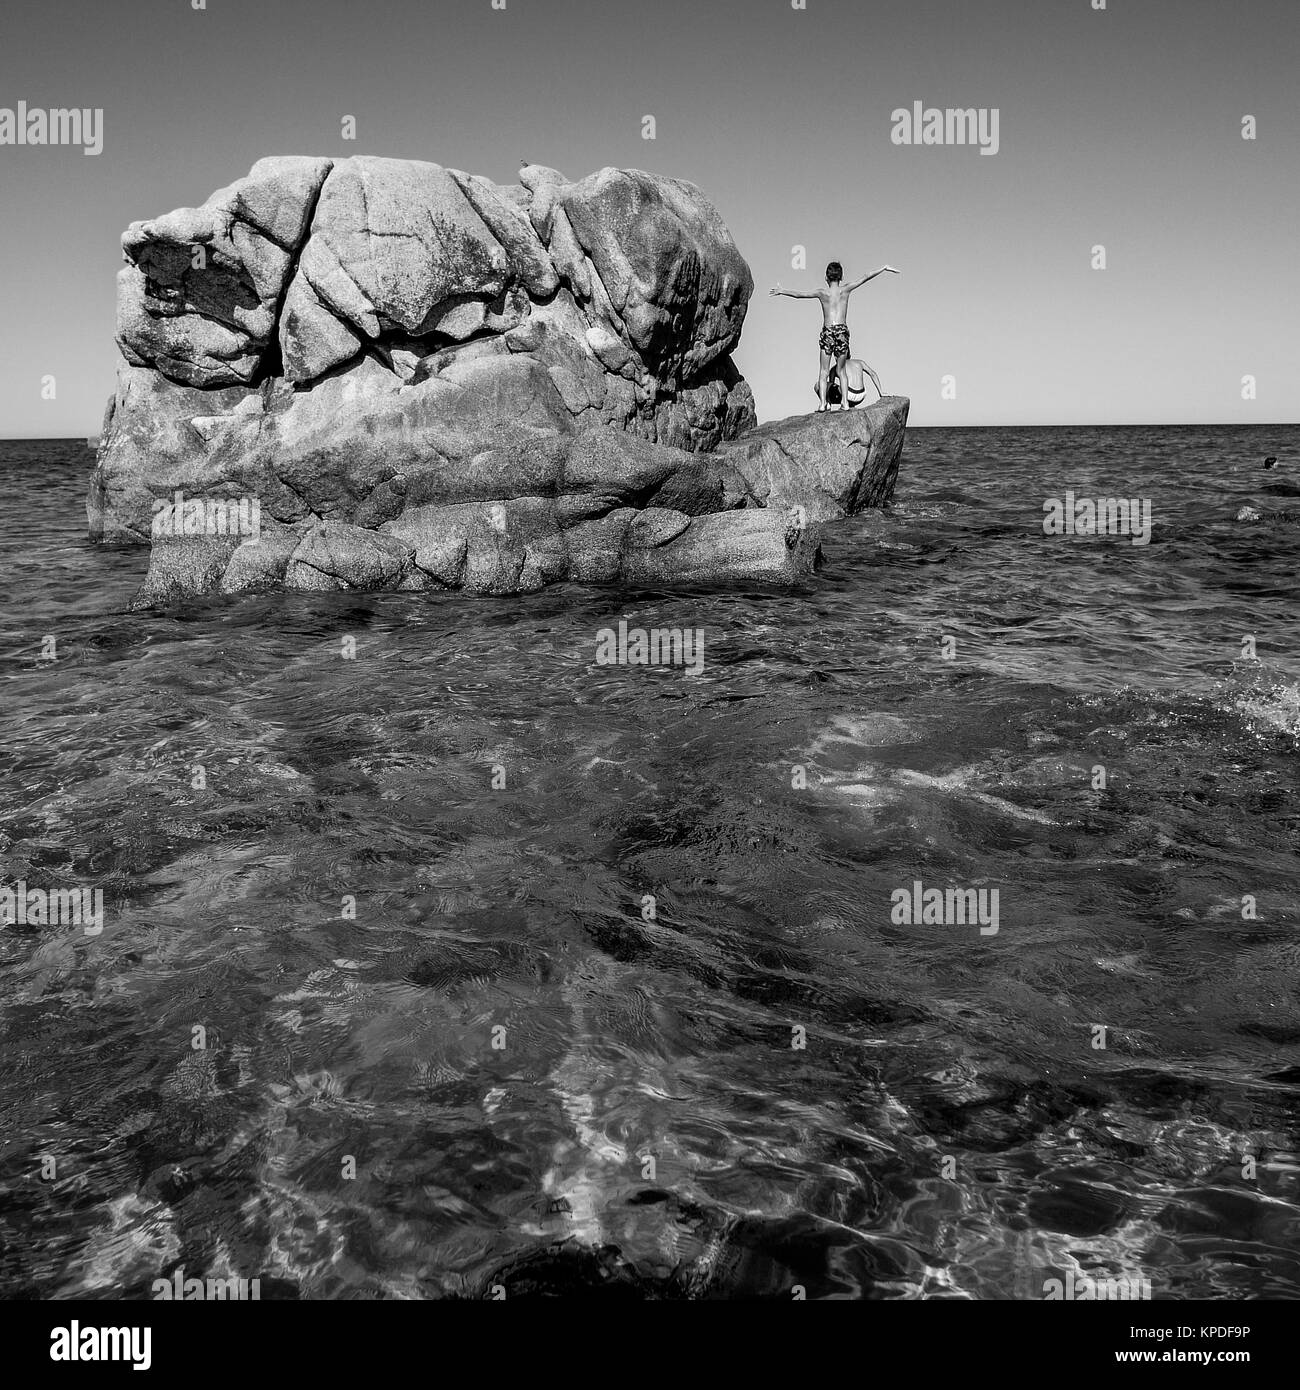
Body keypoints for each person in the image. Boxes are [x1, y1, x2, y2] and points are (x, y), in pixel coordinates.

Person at [770, 261, 899, 411]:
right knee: (842, 370)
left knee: (823, 371)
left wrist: (782, 290)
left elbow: (800, 295)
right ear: (841, 276)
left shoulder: (822, 293)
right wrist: (883, 268)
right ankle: (845, 402)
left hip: (828, 331)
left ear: (826, 277)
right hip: (842, 331)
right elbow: (865, 277)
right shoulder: (846, 290)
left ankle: (823, 403)